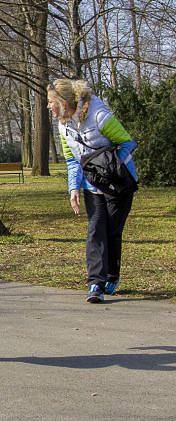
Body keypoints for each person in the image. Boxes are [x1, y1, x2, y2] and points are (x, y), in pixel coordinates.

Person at [47, 79, 139, 303]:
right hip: (91, 184)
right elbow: (72, 160)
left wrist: (109, 164)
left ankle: (111, 277)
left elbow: (128, 142)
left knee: (112, 231)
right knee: (95, 229)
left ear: (62, 101)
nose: (48, 106)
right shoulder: (62, 125)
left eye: (50, 102)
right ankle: (95, 284)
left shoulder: (99, 115)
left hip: (118, 183)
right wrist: (73, 188)